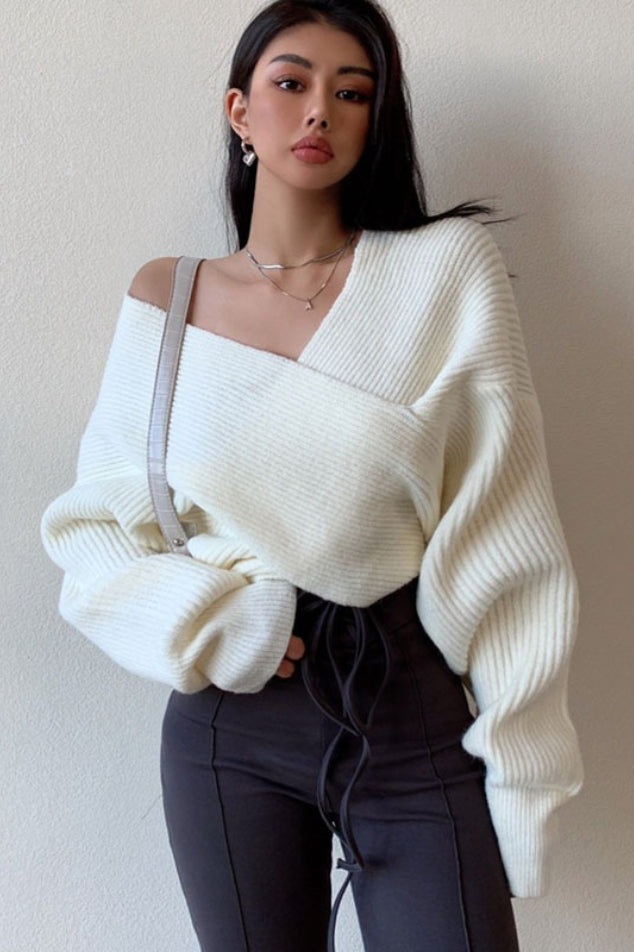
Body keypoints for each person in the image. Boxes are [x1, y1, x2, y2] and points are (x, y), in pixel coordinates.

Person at [40, 1, 585, 950]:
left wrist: (525, 776)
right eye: (291, 82)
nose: (320, 110)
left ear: (377, 121)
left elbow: (507, 536)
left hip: (408, 709)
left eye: (353, 92)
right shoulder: (167, 299)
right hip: (230, 730)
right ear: (240, 111)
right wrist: (218, 623)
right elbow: (93, 532)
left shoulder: (443, 273)